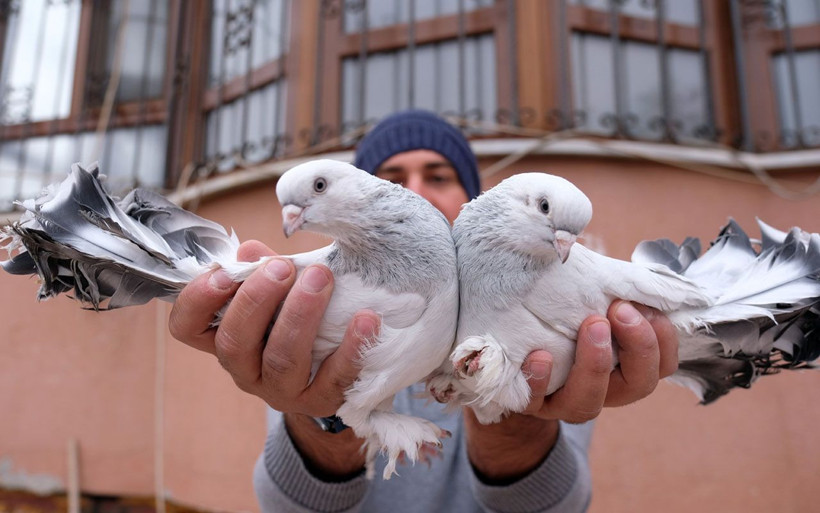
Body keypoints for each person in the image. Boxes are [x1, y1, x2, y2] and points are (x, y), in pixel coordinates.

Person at [169, 110, 679, 512]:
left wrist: (513, 410)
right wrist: (320, 414)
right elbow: (292, 507)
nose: (414, 192)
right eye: (394, 178)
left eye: (437, 175)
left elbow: (550, 508)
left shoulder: (551, 303)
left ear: (477, 197)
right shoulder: (311, 305)